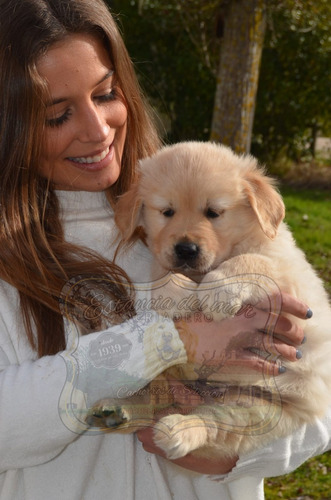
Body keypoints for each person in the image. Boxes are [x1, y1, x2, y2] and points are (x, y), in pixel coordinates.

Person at [0, 0, 329, 499]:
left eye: (106, 93)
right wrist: (169, 339)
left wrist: (232, 450)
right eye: (58, 114)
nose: (97, 129)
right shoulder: (10, 259)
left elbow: (318, 395)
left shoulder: (204, 206)